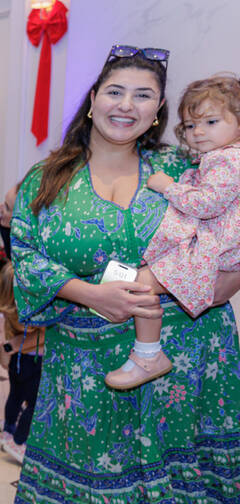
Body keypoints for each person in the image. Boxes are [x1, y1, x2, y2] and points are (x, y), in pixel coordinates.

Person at [8, 44, 240, 504]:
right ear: (93, 99)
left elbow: (233, 222)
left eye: (143, 95)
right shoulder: (47, 178)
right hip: (85, 369)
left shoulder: (185, 168)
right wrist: (90, 293)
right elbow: (25, 254)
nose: (126, 105)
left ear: (159, 110)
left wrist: (225, 281)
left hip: (188, 358)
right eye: (115, 92)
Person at [105, 74, 240, 389]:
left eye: (210, 122)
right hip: (214, 249)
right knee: (140, 281)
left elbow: (207, 204)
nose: (198, 132)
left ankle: (147, 354)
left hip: (215, 253)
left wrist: (169, 187)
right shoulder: (218, 157)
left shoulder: (228, 161)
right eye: (191, 125)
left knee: (140, 283)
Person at [0, 261, 43, 465]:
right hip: (36, 361)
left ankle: (8, 430)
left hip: (17, 361)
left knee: (15, 396)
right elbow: (44, 334)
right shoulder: (32, 312)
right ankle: (19, 442)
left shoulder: (11, 311)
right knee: (34, 403)